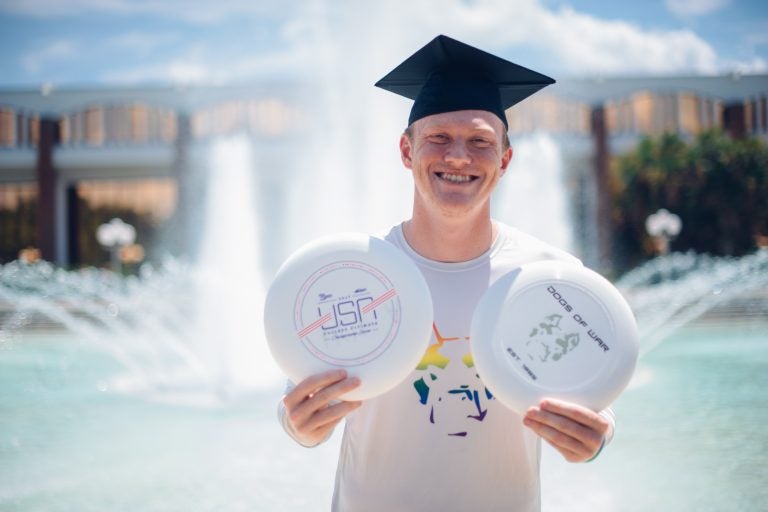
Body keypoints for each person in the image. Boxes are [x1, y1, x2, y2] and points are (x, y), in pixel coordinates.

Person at [278, 35, 615, 511]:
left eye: (480, 141)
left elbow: (595, 400)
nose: (458, 156)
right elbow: (298, 400)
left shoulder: (550, 278)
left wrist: (598, 438)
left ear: (504, 161)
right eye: (438, 138)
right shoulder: (358, 272)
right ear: (406, 150)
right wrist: (297, 424)